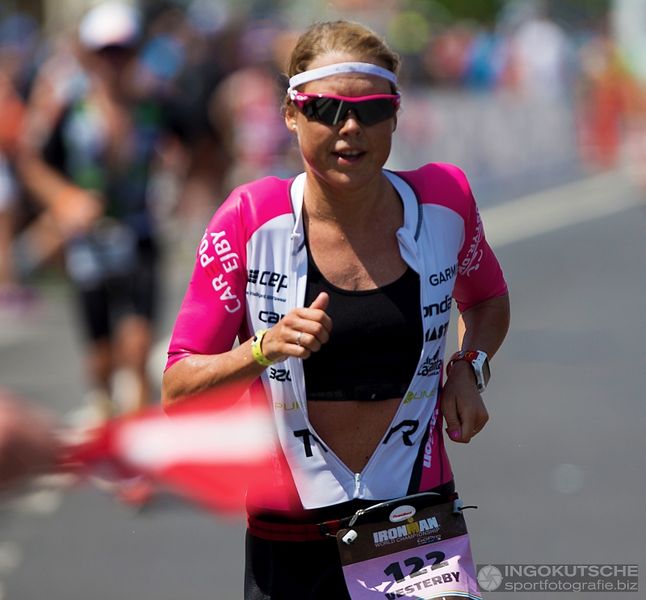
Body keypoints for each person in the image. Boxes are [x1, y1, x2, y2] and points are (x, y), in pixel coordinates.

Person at [162, 20, 510, 599]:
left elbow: (488, 300)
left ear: (395, 115)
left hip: (414, 521)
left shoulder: (445, 202)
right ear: (291, 115)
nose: (350, 127)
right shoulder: (249, 220)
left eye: (371, 110)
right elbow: (178, 388)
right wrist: (261, 349)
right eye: (325, 108)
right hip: (291, 535)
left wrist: (468, 364)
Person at [18, 2, 186, 423]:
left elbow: (201, 144)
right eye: (104, 52)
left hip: (139, 232)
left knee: (138, 341)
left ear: (135, 52)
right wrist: (65, 199)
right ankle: (105, 406)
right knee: (102, 354)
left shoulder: (154, 103)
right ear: (89, 54)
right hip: (88, 242)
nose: (113, 62)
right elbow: (32, 163)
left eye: (122, 51)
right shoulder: (70, 107)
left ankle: (134, 442)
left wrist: (186, 185)